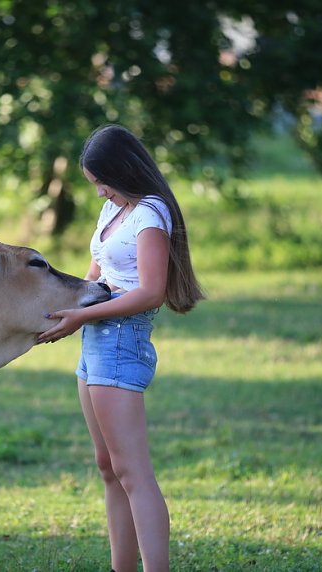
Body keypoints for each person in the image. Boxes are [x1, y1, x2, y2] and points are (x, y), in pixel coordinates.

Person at [38, 124, 205, 572]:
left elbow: (150, 292)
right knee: (108, 466)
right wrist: (66, 307)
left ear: (123, 171)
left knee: (133, 472)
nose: (99, 192)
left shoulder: (150, 215)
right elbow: (96, 275)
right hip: (96, 338)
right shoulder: (115, 209)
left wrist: (81, 317)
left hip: (120, 339)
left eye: (102, 182)